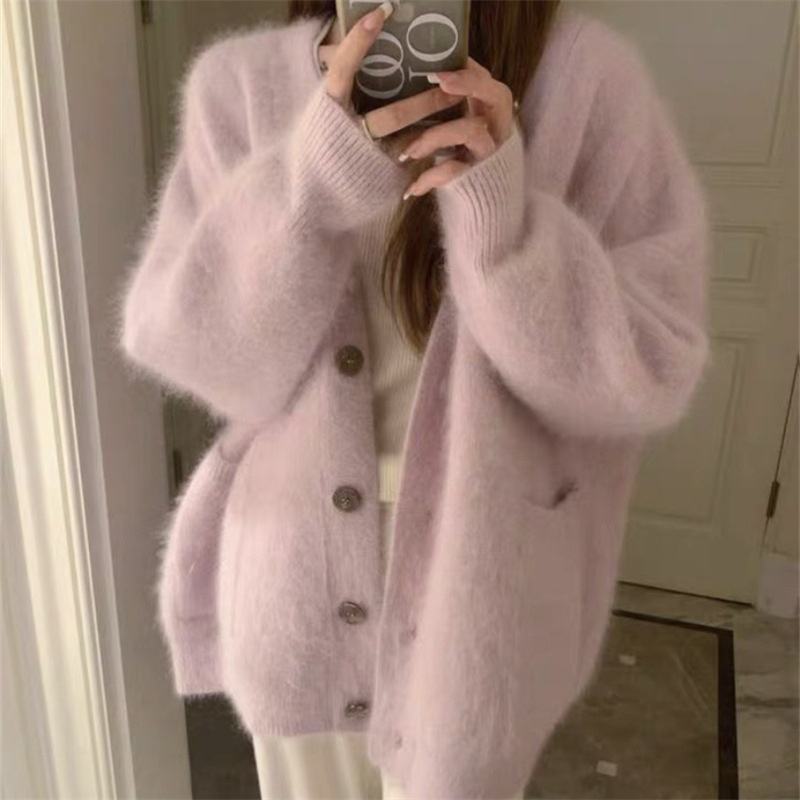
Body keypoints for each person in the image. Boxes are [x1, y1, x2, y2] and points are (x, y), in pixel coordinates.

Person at [114, 0, 712, 797]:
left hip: (488, 590)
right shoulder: (237, 86)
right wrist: (307, 191)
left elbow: (649, 369)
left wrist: (505, 233)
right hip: (290, 583)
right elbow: (195, 353)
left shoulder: (591, 83)